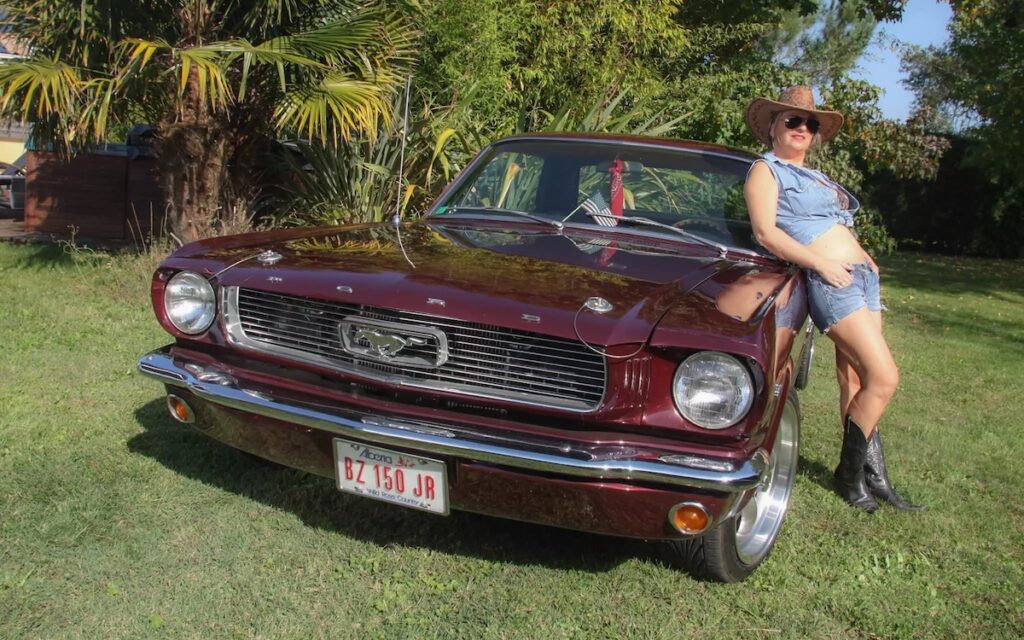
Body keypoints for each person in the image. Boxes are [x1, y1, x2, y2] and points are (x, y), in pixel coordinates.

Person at [742, 86, 922, 513]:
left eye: (810, 123)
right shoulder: (766, 172)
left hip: (860, 278)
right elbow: (766, 232)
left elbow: (833, 223)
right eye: (793, 120)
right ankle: (848, 475)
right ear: (772, 127)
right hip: (833, 280)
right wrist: (820, 264)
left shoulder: (816, 177)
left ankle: (872, 477)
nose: (803, 128)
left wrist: (864, 256)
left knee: (857, 381)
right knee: (885, 378)